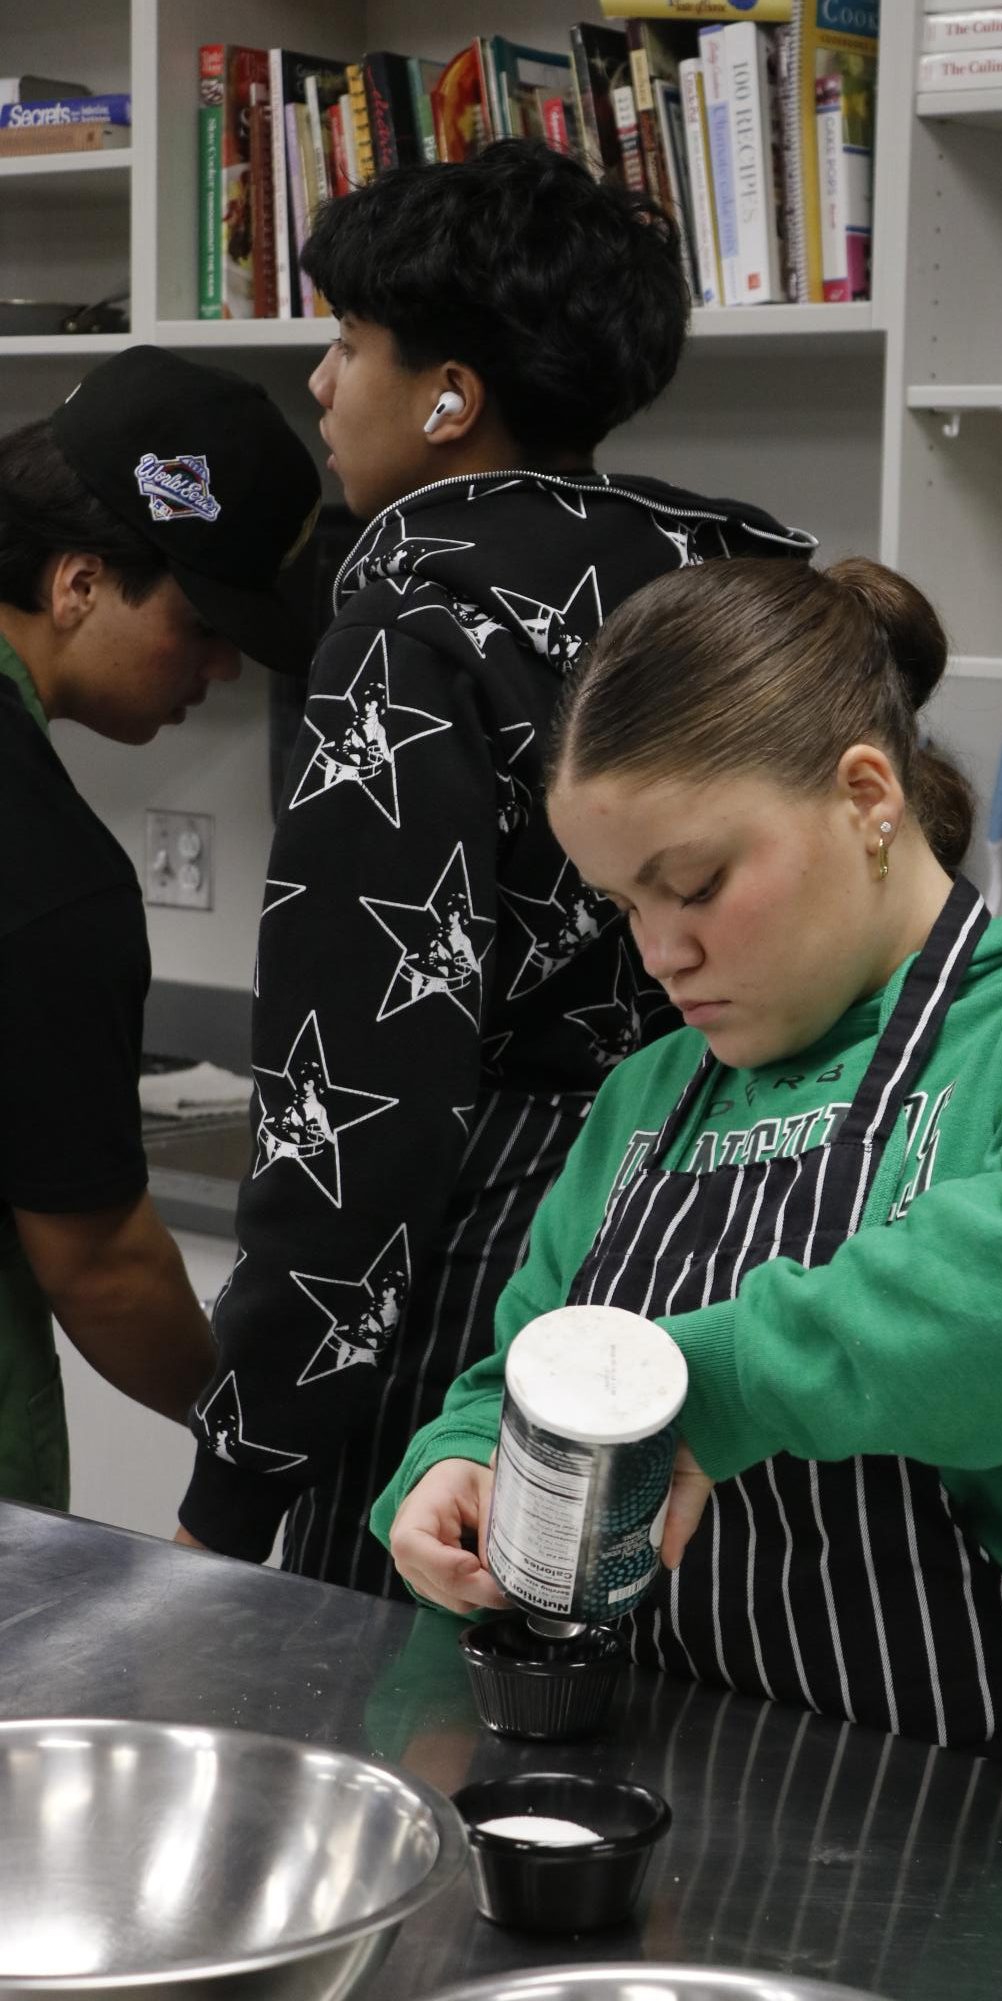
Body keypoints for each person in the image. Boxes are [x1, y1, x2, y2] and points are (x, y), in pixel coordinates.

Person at [373, 555, 1002, 1814]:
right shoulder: (648, 1096)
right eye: (624, 905)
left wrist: (709, 1389)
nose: (661, 952)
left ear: (866, 796)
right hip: (690, 1786)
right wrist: (461, 1465)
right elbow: (525, 1368)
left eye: (694, 886)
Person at [175, 141, 813, 1591]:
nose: (323, 387)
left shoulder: (417, 627)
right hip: (731, 1267)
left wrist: (230, 1486)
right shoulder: (730, 593)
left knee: (425, 1751)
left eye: (345, 343)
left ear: (450, 393)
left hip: (480, 1295)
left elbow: (362, 1115)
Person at [0, 345, 322, 1510]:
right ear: (79, 583)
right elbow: (102, 1269)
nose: (224, 664)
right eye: (200, 621)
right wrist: (251, 1436)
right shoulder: (45, 870)